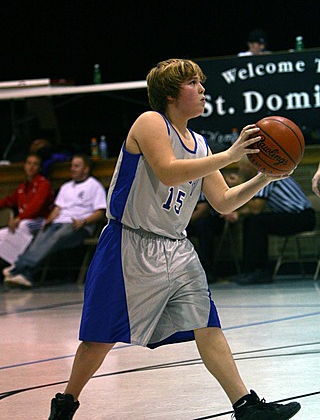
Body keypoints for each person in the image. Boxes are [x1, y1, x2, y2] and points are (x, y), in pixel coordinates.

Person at [47, 59, 300, 420]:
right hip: (129, 244)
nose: (202, 89)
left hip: (176, 247)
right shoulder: (150, 123)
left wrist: (265, 177)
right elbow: (166, 171)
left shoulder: (199, 142)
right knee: (100, 338)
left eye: (202, 83)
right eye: (193, 83)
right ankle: (67, 401)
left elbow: (223, 200)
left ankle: (245, 407)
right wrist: (228, 156)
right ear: (169, 94)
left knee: (208, 324)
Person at [3, 154, 107, 288]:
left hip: (78, 226)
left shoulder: (94, 186)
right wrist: (49, 220)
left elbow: (100, 211)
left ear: (86, 169)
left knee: (55, 238)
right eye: (72, 166)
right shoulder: (66, 187)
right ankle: (24, 274)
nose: (72, 169)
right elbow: (58, 208)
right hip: (59, 221)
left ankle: (19, 267)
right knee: (42, 236)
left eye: (76, 166)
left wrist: (84, 221)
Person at [227, 158, 316, 285]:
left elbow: (256, 208)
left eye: (241, 166)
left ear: (250, 165)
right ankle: (249, 270)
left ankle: (261, 271)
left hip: (302, 217)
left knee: (256, 222)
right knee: (251, 221)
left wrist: (238, 185)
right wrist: (237, 213)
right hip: (296, 216)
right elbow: (253, 208)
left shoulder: (265, 175)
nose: (240, 170)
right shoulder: (265, 172)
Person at [0, 153, 54, 267]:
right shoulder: (23, 187)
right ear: (24, 165)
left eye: (35, 164)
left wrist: (19, 218)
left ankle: (19, 266)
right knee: (1, 234)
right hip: (24, 220)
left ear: (39, 168)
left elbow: (36, 206)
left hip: (42, 221)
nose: (31, 167)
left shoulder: (44, 184)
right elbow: (9, 201)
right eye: (29, 163)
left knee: (24, 225)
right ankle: (10, 264)